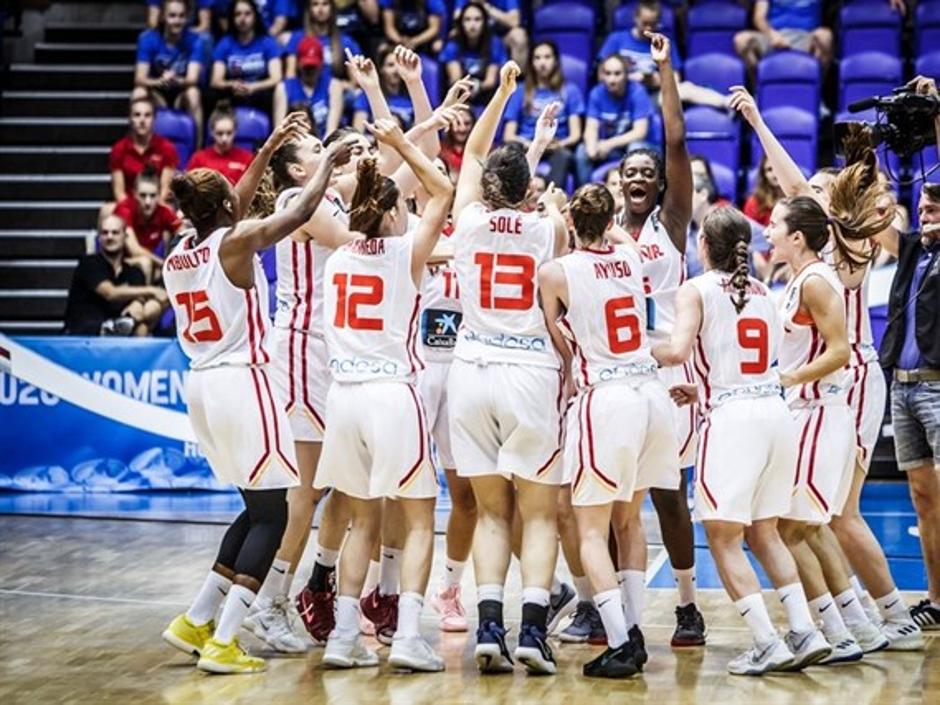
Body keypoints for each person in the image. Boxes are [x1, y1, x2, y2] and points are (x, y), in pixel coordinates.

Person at [732, 83, 927, 650]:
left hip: (847, 380)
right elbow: (795, 187)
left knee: (835, 514)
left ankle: (884, 617)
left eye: (819, 191)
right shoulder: (808, 254)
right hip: (829, 381)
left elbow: (803, 188)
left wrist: (760, 123)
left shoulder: (845, 246)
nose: (806, 194)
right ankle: (859, 615)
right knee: (822, 515)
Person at [160, 121, 352, 675]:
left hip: (202, 386)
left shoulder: (182, 251)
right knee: (274, 513)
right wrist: (326, 163)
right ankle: (225, 640)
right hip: (244, 382)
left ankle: (196, 619)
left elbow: (232, 206)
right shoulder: (238, 242)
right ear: (224, 207)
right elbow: (293, 217)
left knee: (256, 508)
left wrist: (267, 149)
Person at [654, 206, 835, 675]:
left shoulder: (695, 289)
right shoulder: (763, 292)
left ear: (704, 247)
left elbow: (676, 350)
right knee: (765, 530)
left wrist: (624, 347)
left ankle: (766, 642)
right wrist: (704, 386)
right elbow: (749, 362)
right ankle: (804, 629)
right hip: (775, 414)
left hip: (733, 421)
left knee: (723, 537)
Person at [313, 119, 454, 671]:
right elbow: (441, 190)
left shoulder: (339, 258)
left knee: (361, 520)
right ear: (394, 212)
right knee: (419, 519)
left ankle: (344, 637)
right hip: (391, 394)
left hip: (343, 397)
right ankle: (408, 637)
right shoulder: (405, 256)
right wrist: (399, 144)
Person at [448, 60, 568, 675]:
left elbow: (473, 151)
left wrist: (500, 93)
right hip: (529, 372)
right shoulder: (549, 227)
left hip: (469, 371)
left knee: (491, 510)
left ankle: (487, 627)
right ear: (528, 189)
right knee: (539, 511)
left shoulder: (465, 221)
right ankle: (532, 631)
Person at [537, 184, 676, 678]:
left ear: (573, 222)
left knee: (589, 529)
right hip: (651, 396)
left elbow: (559, 338)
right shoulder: (633, 256)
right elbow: (615, 234)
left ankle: (621, 639)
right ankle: (635, 627)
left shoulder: (556, 271)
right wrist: (598, 216)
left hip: (607, 398)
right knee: (630, 521)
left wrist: (558, 212)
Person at [614, 32, 705, 649]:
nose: (643, 176)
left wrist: (664, 71)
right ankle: (619, 613)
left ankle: (690, 605)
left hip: (667, 373)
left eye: (650, 172)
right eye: (632, 172)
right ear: (619, 183)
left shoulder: (668, 225)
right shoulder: (597, 233)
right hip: (616, 375)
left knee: (670, 498)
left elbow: (675, 140)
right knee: (615, 501)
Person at [879, 176, 940, 629]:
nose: (924, 212)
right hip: (901, 387)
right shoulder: (913, 249)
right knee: (923, 499)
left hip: (938, 386)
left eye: (934, 206)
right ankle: (936, 599)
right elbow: (869, 226)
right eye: (921, 205)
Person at [598, 0, 729, 110]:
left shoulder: (664, 42)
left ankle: (727, 103)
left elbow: (675, 80)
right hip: (623, 96)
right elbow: (600, 75)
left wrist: (654, 80)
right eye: (644, 23)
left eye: (652, 24)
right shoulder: (616, 39)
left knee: (684, 88)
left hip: (652, 96)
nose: (648, 28)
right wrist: (628, 78)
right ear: (636, 18)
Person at [64, 214, 167, 337]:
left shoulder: (134, 271)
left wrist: (137, 304)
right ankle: (115, 327)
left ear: (125, 237)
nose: (110, 237)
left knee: (145, 321)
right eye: (105, 233)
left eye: (115, 232)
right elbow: (110, 293)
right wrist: (151, 290)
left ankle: (126, 322)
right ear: (99, 238)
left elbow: (140, 299)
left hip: (118, 328)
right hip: (85, 332)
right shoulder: (89, 263)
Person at [503, 41, 584, 188]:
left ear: (555, 60)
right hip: (526, 144)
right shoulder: (520, 90)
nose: (542, 63)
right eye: (537, 58)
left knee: (564, 156)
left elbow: (576, 134)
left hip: (556, 145)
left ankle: (551, 201)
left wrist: (557, 144)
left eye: (547, 57)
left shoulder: (570, 91)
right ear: (531, 62)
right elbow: (509, 135)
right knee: (510, 150)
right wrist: (531, 144)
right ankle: (514, 197)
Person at [135, 0, 207, 148]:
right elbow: (140, 78)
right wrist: (160, 81)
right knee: (138, 93)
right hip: (158, 93)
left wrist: (175, 80)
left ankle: (198, 150)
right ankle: (137, 147)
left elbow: (192, 79)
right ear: (163, 17)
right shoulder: (148, 38)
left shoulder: (196, 40)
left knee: (193, 93)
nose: (177, 21)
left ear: (187, 18)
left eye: (181, 16)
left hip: (181, 92)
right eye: (172, 16)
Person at [575, 54, 652, 186]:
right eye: (608, 73)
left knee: (636, 148)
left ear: (626, 75)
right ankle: (588, 195)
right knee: (582, 151)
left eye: (617, 74)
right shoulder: (596, 93)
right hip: (611, 148)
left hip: (636, 145)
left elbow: (640, 132)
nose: (612, 79)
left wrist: (609, 144)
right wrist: (592, 147)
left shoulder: (638, 92)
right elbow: (591, 128)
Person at [211, 0, 285, 113]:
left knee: (279, 89)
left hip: (261, 94)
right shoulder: (225, 43)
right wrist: (232, 85)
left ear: (255, 16)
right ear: (233, 18)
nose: (242, 18)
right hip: (233, 94)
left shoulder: (267, 42)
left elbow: (276, 77)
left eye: (247, 14)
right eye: (238, 14)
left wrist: (254, 87)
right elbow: (215, 80)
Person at [113, 165, 183, 274]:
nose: (147, 202)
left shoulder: (164, 211)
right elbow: (134, 250)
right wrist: (164, 264)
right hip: (118, 264)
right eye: (143, 195)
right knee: (145, 263)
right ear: (134, 194)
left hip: (149, 262)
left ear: (159, 195)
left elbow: (185, 233)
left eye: (152, 196)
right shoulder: (124, 209)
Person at [109, 95, 179, 204]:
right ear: (130, 119)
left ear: (154, 119)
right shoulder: (118, 149)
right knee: (106, 212)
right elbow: (119, 192)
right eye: (137, 115)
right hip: (129, 206)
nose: (142, 120)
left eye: (147, 115)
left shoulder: (167, 148)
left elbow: (165, 190)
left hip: (157, 205)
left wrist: (149, 209)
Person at [734, 0, 832, 74]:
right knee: (742, 40)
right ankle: (759, 89)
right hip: (773, 37)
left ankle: (817, 92)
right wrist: (772, 35)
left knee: (824, 37)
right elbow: (759, 18)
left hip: (806, 38)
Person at [274, 36, 343, 137]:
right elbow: (279, 131)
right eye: (306, 66)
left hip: (325, 144)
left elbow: (331, 131)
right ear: (298, 63)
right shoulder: (283, 88)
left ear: (321, 64)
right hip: (294, 144)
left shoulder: (333, 86)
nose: (310, 71)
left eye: (313, 66)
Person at [441, 2, 506, 107]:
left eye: (477, 19)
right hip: (459, 96)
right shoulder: (452, 44)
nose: (472, 25)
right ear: (461, 22)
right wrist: (469, 88)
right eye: (467, 19)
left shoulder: (495, 43)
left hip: (486, 98)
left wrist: (478, 86)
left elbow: (491, 80)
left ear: (485, 22)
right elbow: (455, 78)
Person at [284, 0, 363, 79]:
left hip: (337, 89)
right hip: (305, 89)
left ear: (332, 8)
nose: (320, 9)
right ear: (309, 9)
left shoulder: (345, 41)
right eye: (315, 4)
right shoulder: (297, 38)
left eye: (325, 4)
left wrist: (343, 86)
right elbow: (290, 75)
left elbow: (355, 80)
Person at [186, 102, 256, 184]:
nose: (224, 139)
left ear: (235, 131)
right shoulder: (198, 159)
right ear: (212, 132)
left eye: (229, 133)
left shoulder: (248, 158)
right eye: (220, 133)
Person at [452, 0, 526, 67]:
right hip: (476, 36)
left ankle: (517, 78)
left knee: (518, 36)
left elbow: (514, 22)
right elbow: (457, 17)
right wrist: (473, 6)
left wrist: (485, 6)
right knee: (454, 33)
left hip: (502, 36)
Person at [379, 0, 445, 55]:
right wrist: (400, 40)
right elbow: (389, 28)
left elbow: (433, 28)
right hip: (398, 41)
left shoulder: (431, 1)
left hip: (422, 43)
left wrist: (414, 41)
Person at [439, 104, 475, 180]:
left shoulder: (485, 151)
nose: (462, 129)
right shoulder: (439, 151)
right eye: (458, 123)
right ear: (450, 125)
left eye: (467, 123)